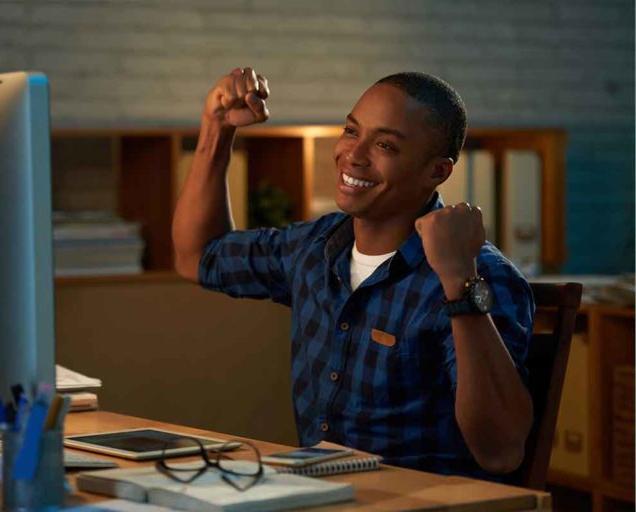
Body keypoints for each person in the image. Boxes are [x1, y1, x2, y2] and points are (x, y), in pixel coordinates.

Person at [172, 67, 534, 480]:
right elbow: (197, 256)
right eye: (350, 131)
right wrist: (216, 128)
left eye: (384, 145)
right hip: (320, 495)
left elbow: (501, 452)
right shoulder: (315, 247)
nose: (354, 156)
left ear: (437, 173)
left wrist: (459, 282)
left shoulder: (478, 274)